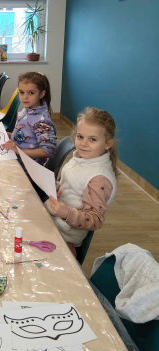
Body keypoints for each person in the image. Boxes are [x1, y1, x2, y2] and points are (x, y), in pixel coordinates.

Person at [46, 107, 118, 256]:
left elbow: (94, 219)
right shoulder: (83, 158)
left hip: (63, 237)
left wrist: (67, 213)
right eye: (80, 137)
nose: (84, 143)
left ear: (108, 144)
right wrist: (59, 186)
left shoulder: (99, 179)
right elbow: (73, 184)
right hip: (51, 220)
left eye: (92, 139)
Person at [2, 71, 56, 164]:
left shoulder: (42, 121)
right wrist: (8, 135)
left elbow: (49, 151)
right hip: (17, 159)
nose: (25, 97)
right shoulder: (27, 110)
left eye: (31, 93)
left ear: (42, 94)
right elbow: (26, 136)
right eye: (21, 92)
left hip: (28, 167)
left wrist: (18, 150)